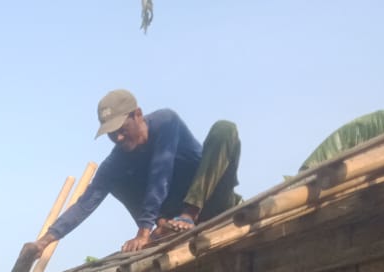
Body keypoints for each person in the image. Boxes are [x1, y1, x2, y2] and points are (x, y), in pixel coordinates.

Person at [29, 88, 241, 255]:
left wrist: (143, 230)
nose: (118, 138)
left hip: (211, 201)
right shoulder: (116, 161)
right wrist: (45, 241)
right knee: (115, 178)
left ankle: (188, 215)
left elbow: (161, 172)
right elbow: (85, 203)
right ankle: (163, 224)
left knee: (224, 129)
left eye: (122, 130)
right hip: (173, 221)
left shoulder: (166, 122)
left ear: (138, 114)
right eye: (112, 134)